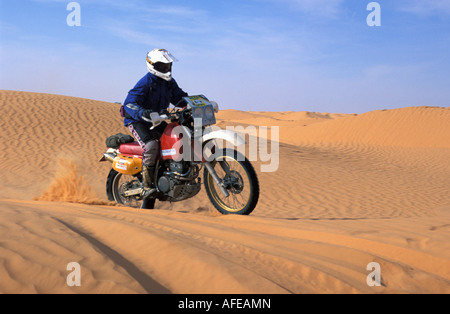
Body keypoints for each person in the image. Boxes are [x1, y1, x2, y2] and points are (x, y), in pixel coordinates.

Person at [121, 48, 188, 202]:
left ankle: (169, 174)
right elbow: (129, 104)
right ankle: (146, 186)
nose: (166, 69)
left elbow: (180, 98)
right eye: (162, 66)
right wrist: (142, 112)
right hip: (137, 121)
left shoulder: (169, 83)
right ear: (152, 65)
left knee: (175, 137)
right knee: (151, 146)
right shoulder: (145, 83)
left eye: (168, 66)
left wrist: (193, 104)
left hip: (156, 119)